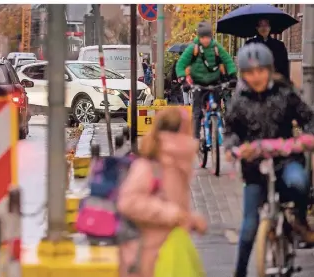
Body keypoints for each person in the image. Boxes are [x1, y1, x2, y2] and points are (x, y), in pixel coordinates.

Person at [223, 43, 314, 277]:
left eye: (261, 71)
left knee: (299, 182)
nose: (256, 77)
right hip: (255, 167)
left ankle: (300, 222)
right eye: (250, 73)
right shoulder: (239, 100)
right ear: (243, 74)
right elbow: (231, 130)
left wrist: (306, 137)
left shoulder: (285, 93)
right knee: (249, 226)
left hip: (285, 159)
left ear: (269, 70)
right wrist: (233, 147)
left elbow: (308, 118)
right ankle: (240, 272)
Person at [117, 107, 207, 277]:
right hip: (146, 257)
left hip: (165, 253)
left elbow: (174, 207)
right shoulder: (151, 166)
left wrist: (189, 219)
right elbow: (128, 202)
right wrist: (171, 213)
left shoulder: (177, 163)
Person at [176, 21, 237, 139]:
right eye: (203, 37)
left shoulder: (216, 47)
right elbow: (181, 64)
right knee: (197, 111)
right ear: (199, 37)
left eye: (208, 37)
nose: (205, 40)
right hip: (198, 82)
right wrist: (183, 80)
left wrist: (233, 75)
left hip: (215, 81)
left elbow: (228, 60)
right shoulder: (193, 48)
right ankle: (196, 138)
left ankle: (216, 128)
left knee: (216, 107)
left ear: (211, 36)